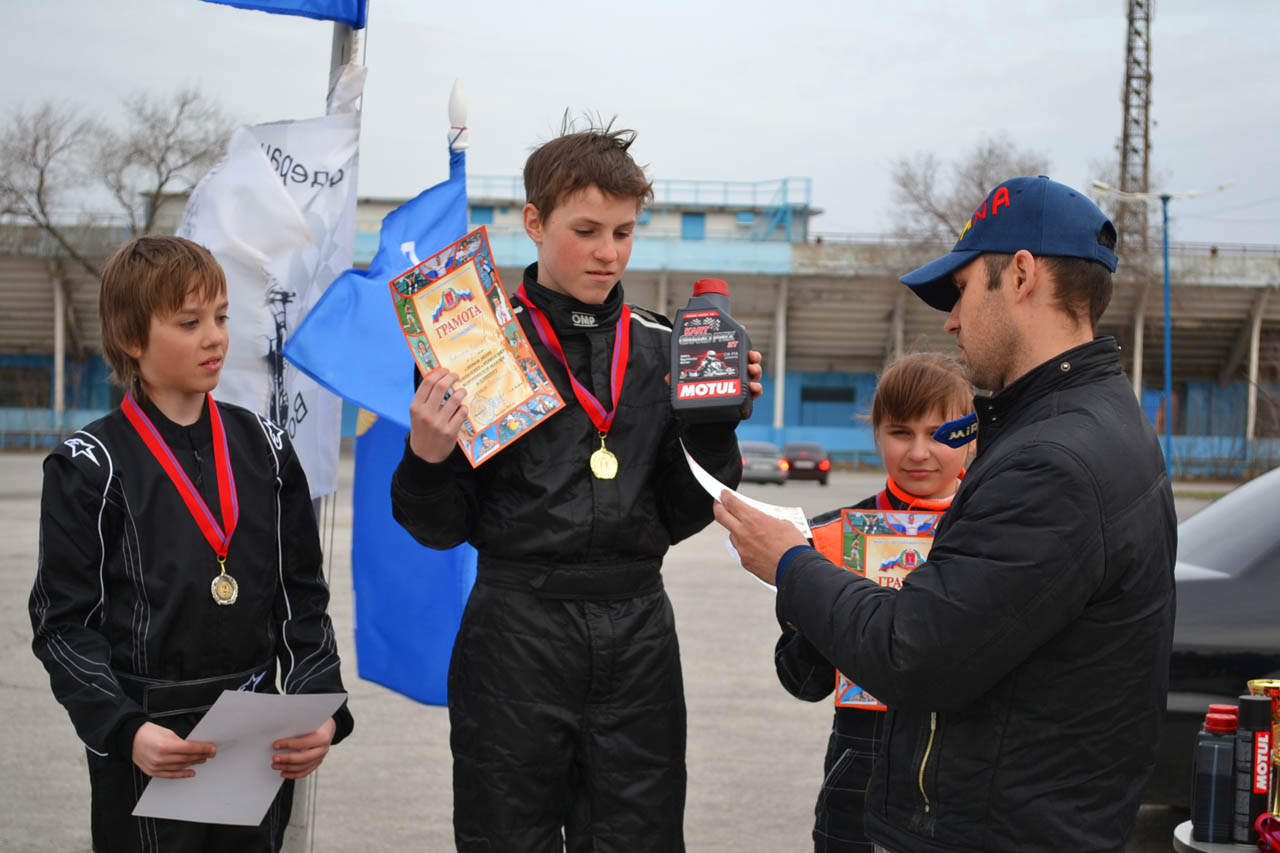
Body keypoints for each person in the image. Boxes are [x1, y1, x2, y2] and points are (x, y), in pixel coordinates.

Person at [716, 176, 1176, 852]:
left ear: (1021, 275)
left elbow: (913, 653)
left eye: (960, 291)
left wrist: (790, 562)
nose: (951, 320)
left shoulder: (1052, 461)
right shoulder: (1097, 421)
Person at [390, 121, 762, 852]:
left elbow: (683, 512)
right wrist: (426, 457)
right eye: (586, 230)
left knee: (640, 837)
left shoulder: (665, 348)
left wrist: (717, 428)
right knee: (506, 837)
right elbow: (440, 527)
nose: (608, 252)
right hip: (516, 632)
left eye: (624, 232)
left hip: (639, 631)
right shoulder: (473, 348)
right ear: (534, 222)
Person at [30, 235, 354, 852]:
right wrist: (124, 728)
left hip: (257, 739)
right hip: (152, 744)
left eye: (221, 317)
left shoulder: (267, 450)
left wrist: (318, 709)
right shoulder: (90, 465)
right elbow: (63, 624)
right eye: (189, 322)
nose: (215, 338)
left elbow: (302, 600)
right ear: (132, 338)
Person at [775, 352, 972, 853]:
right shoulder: (827, 537)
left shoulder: (998, 533)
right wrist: (822, 588)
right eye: (901, 432)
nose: (919, 452)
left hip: (968, 781)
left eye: (940, 434)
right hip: (858, 781)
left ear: (972, 437)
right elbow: (801, 682)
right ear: (876, 434)